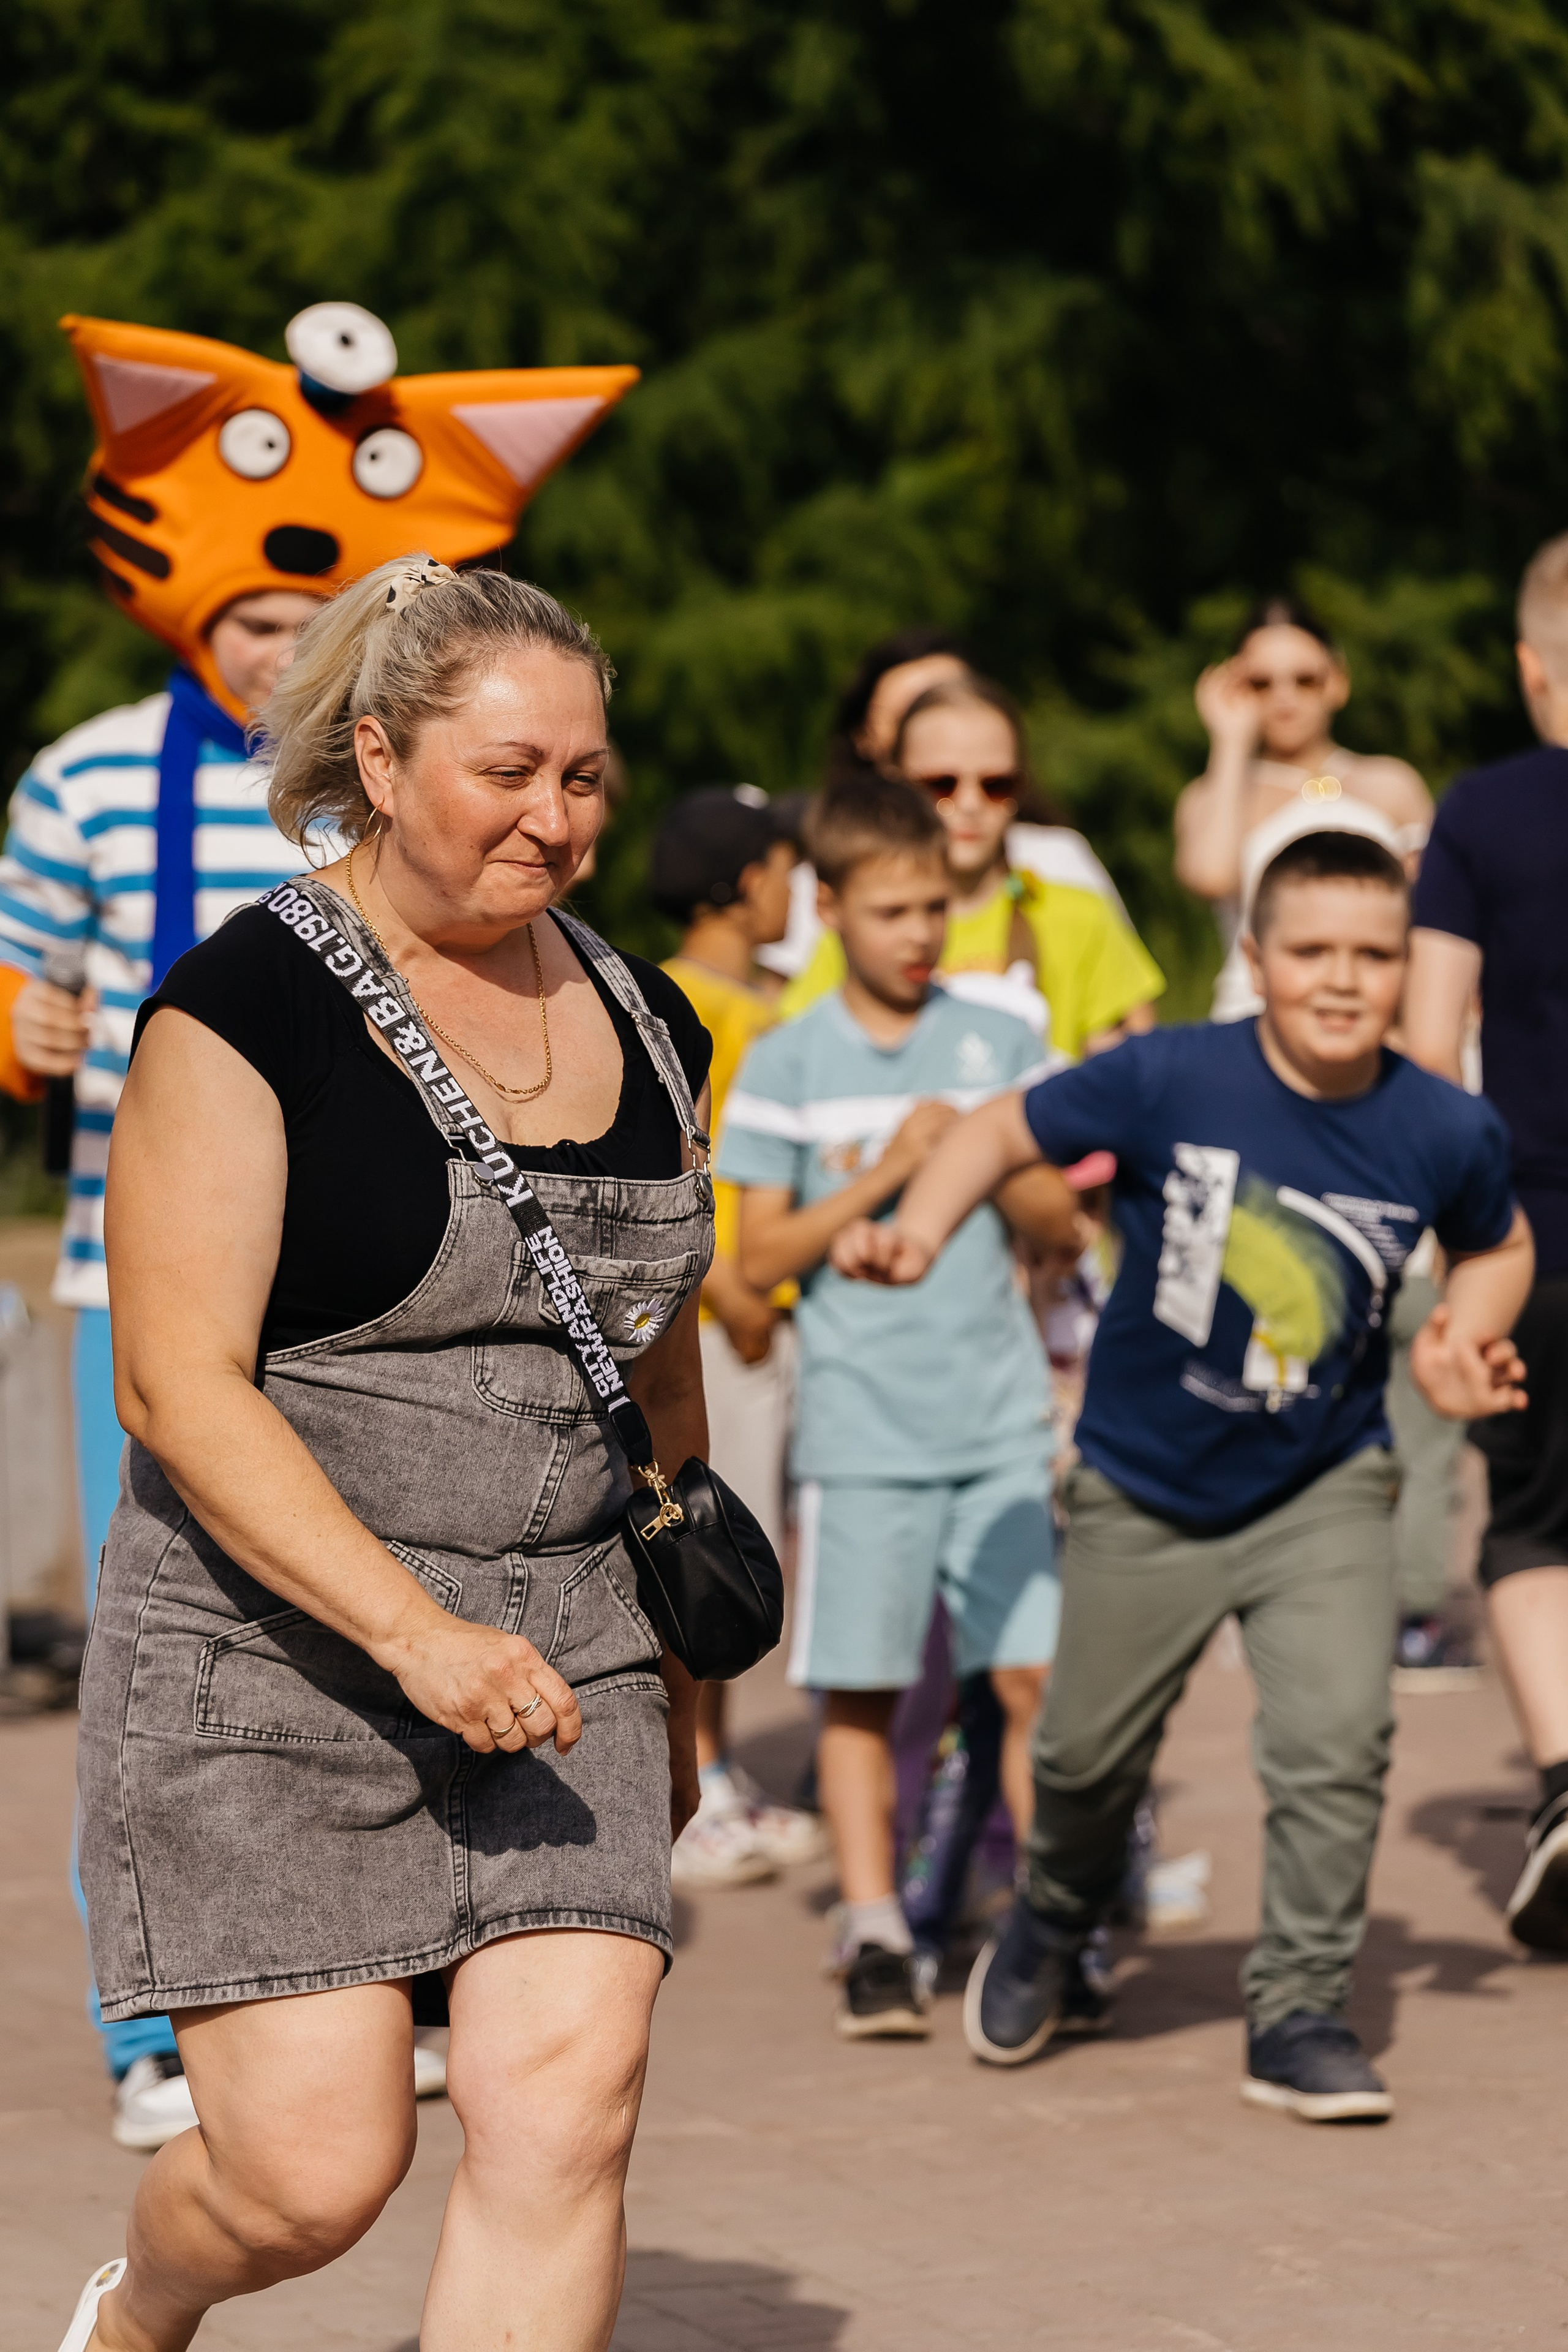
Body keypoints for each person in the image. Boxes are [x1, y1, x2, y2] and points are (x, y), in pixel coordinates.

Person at [4, 299, 638, 2155]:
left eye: (314, 614)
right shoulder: (88, 771)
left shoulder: (432, 781)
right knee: (176, 1630)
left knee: (395, 1605)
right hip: (153, 1258)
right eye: (255, 615)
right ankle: (150, 2010)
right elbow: (21, 963)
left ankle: (413, 1954)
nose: (280, 635)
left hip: (385, 1281)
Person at [58, 558, 712, 2352]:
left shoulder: (656, 1018)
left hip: (573, 1640)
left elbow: (655, 1356)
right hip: (275, 1656)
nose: (555, 817)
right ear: (378, 753)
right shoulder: (242, 1005)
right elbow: (176, 1388)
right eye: (508, 771)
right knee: (309, 2173)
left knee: (561, 2117)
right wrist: (413, 1632)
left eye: (585, 775)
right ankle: (143, 2302)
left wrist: (684, 1672)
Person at [835, 829, 1531, 2118]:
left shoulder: (1442, 1123)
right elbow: (997, 1130)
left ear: (1410, 972)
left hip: (1322, 1486)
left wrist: (1458, 1336)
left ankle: (1301, 2008)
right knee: (1088, 1758)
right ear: (1253, 959)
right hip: (1141, 1489)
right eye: (1310, 951)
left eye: (1371, 955)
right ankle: (1050, 1917)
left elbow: (1496, 1243)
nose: (1340, 980)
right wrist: (922, 1230)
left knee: (1338, 1741)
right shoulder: (1170, 1078)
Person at [717, 773, 1079, 2040]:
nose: (919, 934)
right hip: (862, 1441)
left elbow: (1057, 1221)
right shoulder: (784, 1059)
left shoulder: (998, 1039)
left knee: (1029, 1682)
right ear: (828, 909)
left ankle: (1047, 1928)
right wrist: (889, 1172)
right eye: (889, 911)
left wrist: (981, 1154)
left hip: (994, 1428)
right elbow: (756, 1264)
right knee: (862, 1697)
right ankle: (873, 1926)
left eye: (935, 908)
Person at [1404, 528, 1568, 1941]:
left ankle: (1564, 1783)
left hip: (1534, 1228)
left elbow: (1425, 1029)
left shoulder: (1483, 812)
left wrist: (1449, 1228)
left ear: (1527, 666)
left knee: (1527, 1520)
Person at [653, 786, 827, 1887]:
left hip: (775, 1321)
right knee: (708, 1556)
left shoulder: (767, 998)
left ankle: (720, 1770)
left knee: (753, 1555)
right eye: (782, 867)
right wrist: (737, 1291)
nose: (795, 890)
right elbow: (682, 1165)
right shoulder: (685, 1000)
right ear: (743, 879)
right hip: (723, 1330)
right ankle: (699, 1777)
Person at [783, 675, 1165, 1055]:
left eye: (996, 784)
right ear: (896, 785)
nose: (969, 803)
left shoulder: (1082, 918)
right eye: (941, 784)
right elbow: (791, 1055)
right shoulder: (862, 933)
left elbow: (1134, 1077)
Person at [1175, 594, 1431, 1020]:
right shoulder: (1212, 794)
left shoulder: (1392, 783)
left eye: (1305, 680)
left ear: (1337, 681)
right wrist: (1230, 742)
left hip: (1383, 1016)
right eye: (1260, 683)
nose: (1285, 698)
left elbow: (1435, 914)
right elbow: (1210, 876)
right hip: (1256, 1014)